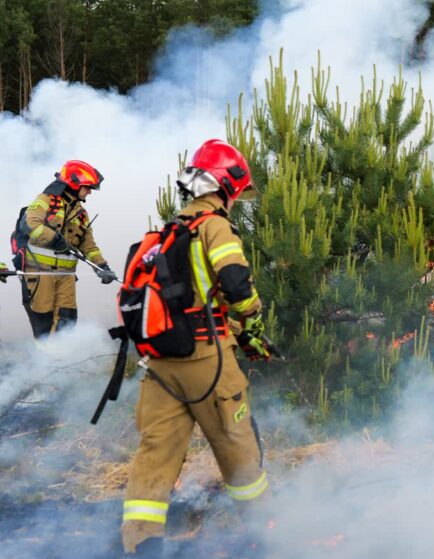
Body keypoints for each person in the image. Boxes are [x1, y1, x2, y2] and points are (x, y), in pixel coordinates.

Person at [121, 139, 273, 557]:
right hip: (206, 359)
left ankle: (141, 544)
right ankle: (265, 534)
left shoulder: (167, 232)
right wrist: (253, 322)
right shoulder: (214, 225)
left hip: (160, 364)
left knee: (156, 453)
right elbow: (237, 285)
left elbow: (192, 296)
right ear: (228, 186)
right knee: (237, 443)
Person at [17, 160, 116, 337]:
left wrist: (102, 267)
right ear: (74, 183)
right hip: (41, 273)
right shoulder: (46, 200)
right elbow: (30, 224)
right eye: (87, 187)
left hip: (66, 276)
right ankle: (43, 364)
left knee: (68, 321)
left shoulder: (81, 213)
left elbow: (89, 246)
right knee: (43, 323)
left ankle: (62, 361)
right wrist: (55, 239)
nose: (90, 192)